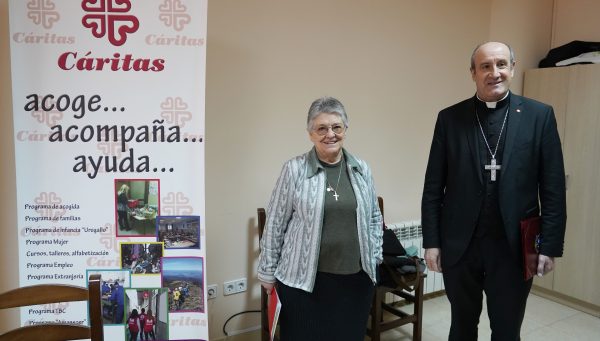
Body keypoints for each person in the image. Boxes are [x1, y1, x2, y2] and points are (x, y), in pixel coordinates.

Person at [421, 41, 567, 340]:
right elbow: (434, 187)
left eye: (501, 64)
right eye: (485, 66)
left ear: (512, 68)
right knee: (461, 327)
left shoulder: (539, 117)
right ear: (473, 73)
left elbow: (552, 188)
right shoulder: (450, 119)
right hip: (461, 247)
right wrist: (432, 242)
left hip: (513, 249)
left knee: (507, 330)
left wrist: (549, 245)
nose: (494, 72)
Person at [257, 97, 383, 340]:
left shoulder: (361, 169)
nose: (330, 134)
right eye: (322, 128)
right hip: (304, 284)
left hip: (356, 282)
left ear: (345, 129)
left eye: (337, 127)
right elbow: (275, 224)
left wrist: (374, 255)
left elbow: (374, 218)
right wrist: (267, 272)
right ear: (310, 133)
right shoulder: (294, 169)